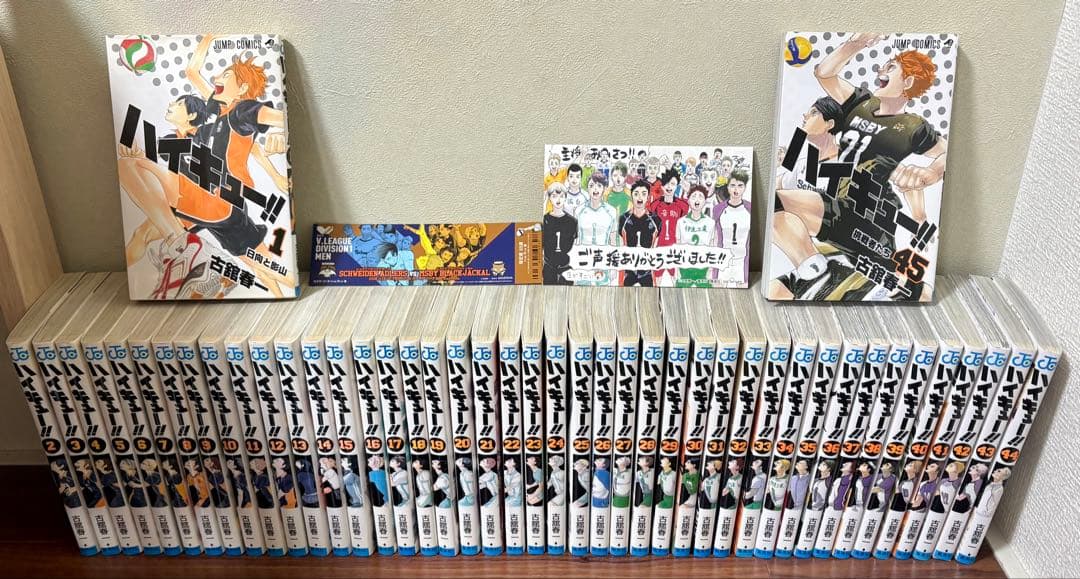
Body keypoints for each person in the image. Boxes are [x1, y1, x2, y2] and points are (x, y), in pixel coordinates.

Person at [770, 33, 947, 300]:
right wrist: (856, 44)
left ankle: (826, 271)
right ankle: (813, 268)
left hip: (870, 212)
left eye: (890, 67)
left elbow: (947, 152)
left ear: (908, 82)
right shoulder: (861, 102)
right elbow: (824, 73)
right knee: (775, 206)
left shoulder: (913, 126)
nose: (880, 70)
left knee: (904, 286)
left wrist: (931, 172)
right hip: (840, 203)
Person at [648, 167, 689, 285]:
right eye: (666, 183)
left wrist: (686, 192)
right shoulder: (655, 205)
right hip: (659, 248)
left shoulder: (682, 205)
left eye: (673, 184)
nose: (669, 187)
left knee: (676, 279)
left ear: (677, 186)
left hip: (675, 248)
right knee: (656, 280)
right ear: (662, 186)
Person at [576, 172, 618, 285]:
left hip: (603, 261)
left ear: (604, 188)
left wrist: (613, 267)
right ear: (587, 188)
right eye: (591, 185)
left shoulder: (611, 211)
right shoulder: (579, 211)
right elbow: (575, 239)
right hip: (583, 261)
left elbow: (613, 240)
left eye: (599, 186)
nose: (595, 189)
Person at [617, 181, 661, 287]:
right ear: (631, 196)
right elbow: (621, 245)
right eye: (636, 194)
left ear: (648, 197)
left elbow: (656, 246)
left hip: (647, 270)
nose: (640, 197)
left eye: (643, 194)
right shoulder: (623, 218)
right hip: (628, 270)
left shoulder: (656, 220)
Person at [713, 169, 751, 285]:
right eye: (733, 185)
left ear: (745, 188)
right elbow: (715, 237)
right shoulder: (718, 209)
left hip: (742, 261)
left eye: (740, 186)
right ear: (728, 187)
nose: (736, 189)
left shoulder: (750, 208)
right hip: (723, 261)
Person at [675, 185, 716, 287]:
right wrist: (677, 270)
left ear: (705, 201)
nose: (697, 199)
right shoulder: (681, 222)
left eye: (700, 196)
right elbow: (678, 246)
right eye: (693, 196)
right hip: (685, 268)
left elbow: (712, 247)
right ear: (688, 200)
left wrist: (710, 270)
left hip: (703, 269)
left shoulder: (710, 223)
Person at [542, 183, 577, 285]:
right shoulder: (545, 219)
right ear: (549, 198)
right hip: (548, 266)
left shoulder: (572, 221)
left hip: (565, 266)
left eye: (561, 196)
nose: (558, 200)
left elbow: (574, 244)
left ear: (565, 198)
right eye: (554, 196)